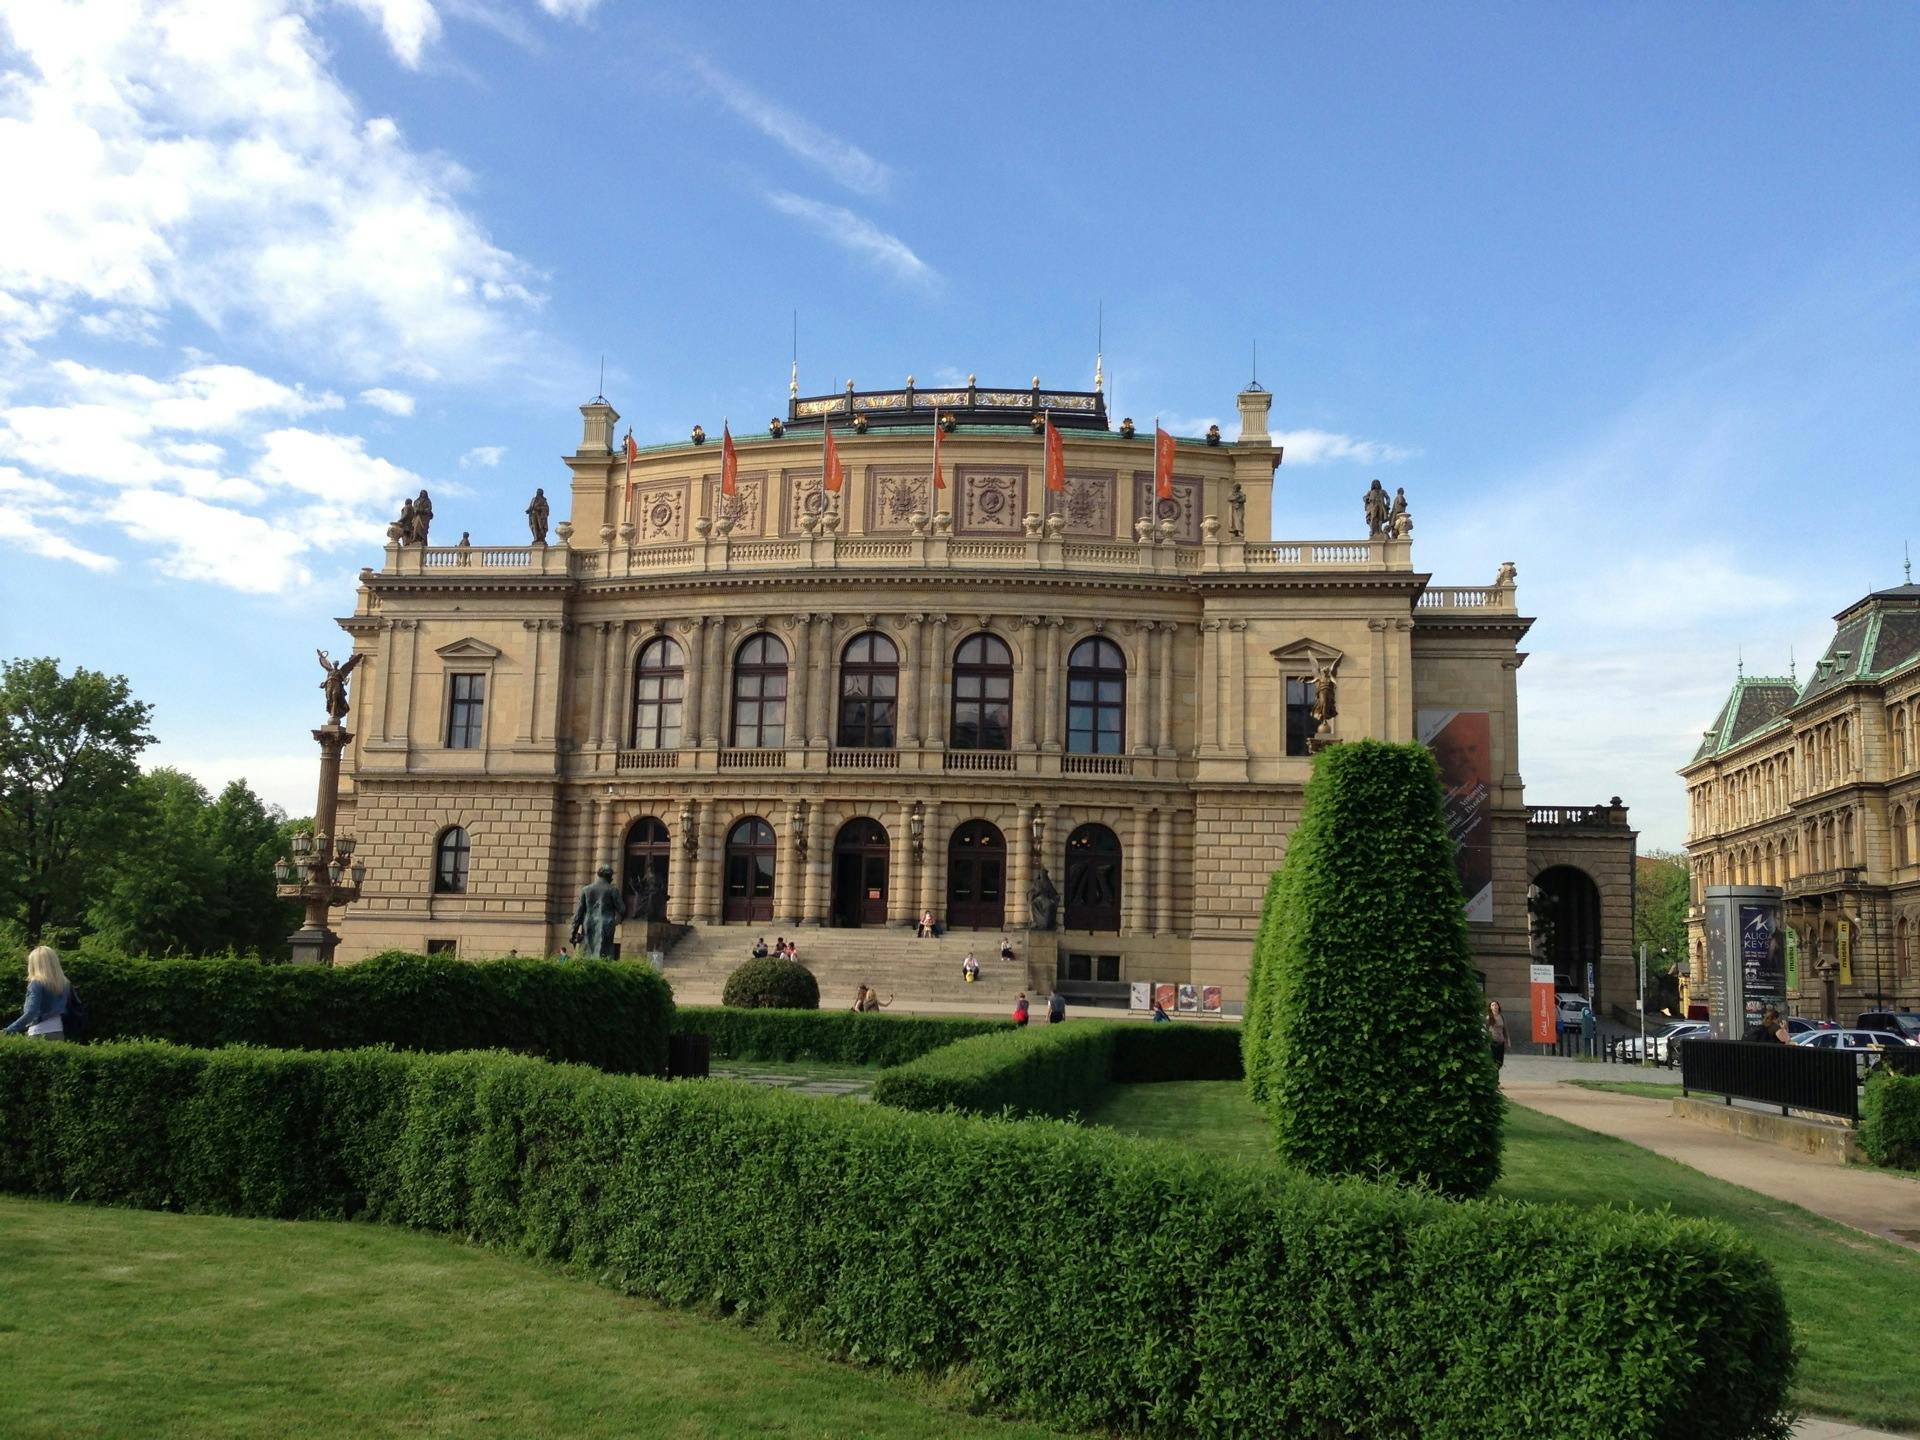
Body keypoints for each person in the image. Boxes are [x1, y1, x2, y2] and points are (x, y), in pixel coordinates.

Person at [5, 946, 75, 1041]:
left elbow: (31, 1012)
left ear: (34, 964)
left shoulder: (36, 983)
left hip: (38, 1032)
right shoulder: (65, 983)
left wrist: (9, 1030)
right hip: (58, 1031)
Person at [1486, 999, 1509, 1069]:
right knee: (1493, 1062)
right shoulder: (1488, 1017)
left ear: (1498, 1006)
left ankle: (1496, 1076)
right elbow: (1485, 1030)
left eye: (1496, 1004)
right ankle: (1494, 1077)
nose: (1495, 1006)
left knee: (1500, 1062)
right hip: (1492, 1042)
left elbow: (1505, 1030)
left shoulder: (1501, 1017)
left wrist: (1507, 1041)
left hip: (1501, 1042)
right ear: (1490, 1007)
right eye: (1492, 1005)